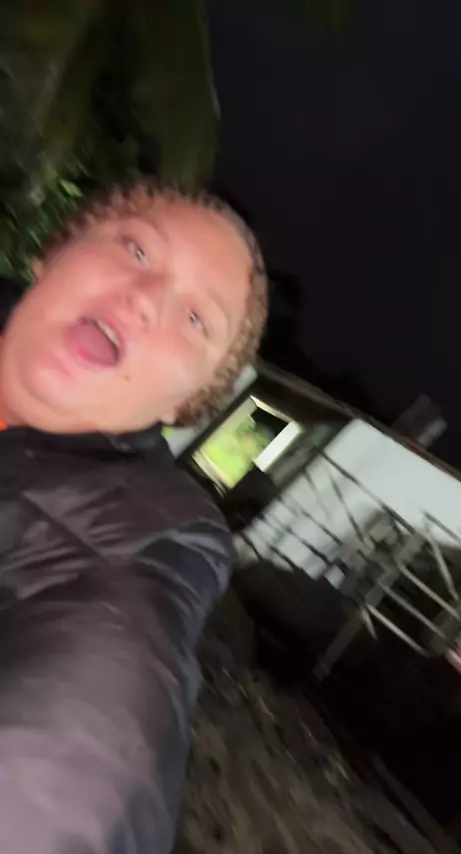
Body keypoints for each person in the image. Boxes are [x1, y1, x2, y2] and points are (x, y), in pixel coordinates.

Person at [0, 182, 268, 853]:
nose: (146, 298)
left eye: (197, 320)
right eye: (138, 249)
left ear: (186, 404)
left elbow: (84, 759)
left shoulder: (142, 544)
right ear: (54, 253)